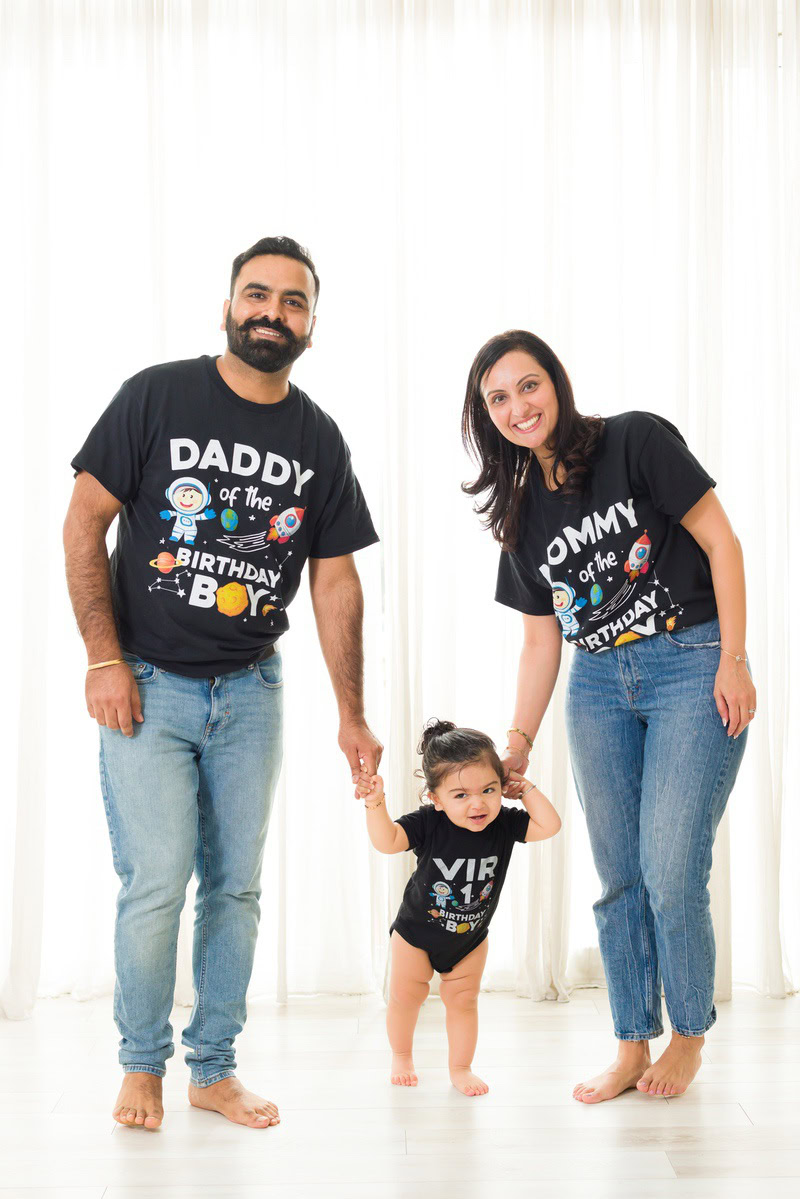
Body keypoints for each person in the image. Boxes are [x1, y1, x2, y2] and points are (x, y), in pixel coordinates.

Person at [63, 236, 381, 1131]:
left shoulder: (319, 438)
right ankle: (141, 1065)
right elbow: (84, 522)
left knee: (235, 887)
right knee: (156, 882)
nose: (272, 311)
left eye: (293, 301)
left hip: (251, 690)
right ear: (229, 307)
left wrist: (353, 714)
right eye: (258, 294)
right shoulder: (156, 395)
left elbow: (335, 579)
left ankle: (213, 1067)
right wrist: (102, 658)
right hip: (147, 682)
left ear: (312, 326)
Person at [462, 329, 756, 1103]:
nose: (519, 407)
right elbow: (540, 640)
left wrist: (733, 657)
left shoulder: (635, 440)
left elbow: (722, 541)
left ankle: (688, 1034)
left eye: (529, 385)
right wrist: (517, 743)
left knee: (670, 866)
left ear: (556, 381)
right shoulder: (521, 513)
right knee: (618, 874)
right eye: (499, 398)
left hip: (690, 660)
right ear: (487, 416)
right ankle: (632, 1041)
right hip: (596, 684)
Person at [358, 720, 560, 1095]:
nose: (478, 803)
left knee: (464, 1002)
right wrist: (375, 803)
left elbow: (549, 825)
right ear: (436, 799)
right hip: (416, 933)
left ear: (502, 786)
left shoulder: (504, 824)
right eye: (461, 795)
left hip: (469, 938)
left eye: (489, 789)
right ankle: (401, 1056)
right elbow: (388, 841)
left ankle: (461, 1068)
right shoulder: (429, 823)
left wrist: (525, 788)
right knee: (406, 998)